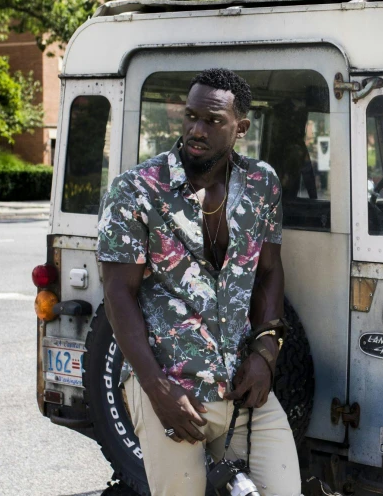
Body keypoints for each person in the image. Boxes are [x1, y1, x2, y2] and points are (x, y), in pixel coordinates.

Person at [97, 68, 301, 496]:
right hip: (171, 387)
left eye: (212, 121)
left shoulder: (262, 184)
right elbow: (118, 293)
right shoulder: (137, 189)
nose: (196, 130)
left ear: (240, 127)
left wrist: (266, 353)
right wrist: (155, 388)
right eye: (190, 116)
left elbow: (269, 272)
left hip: (243, 387)